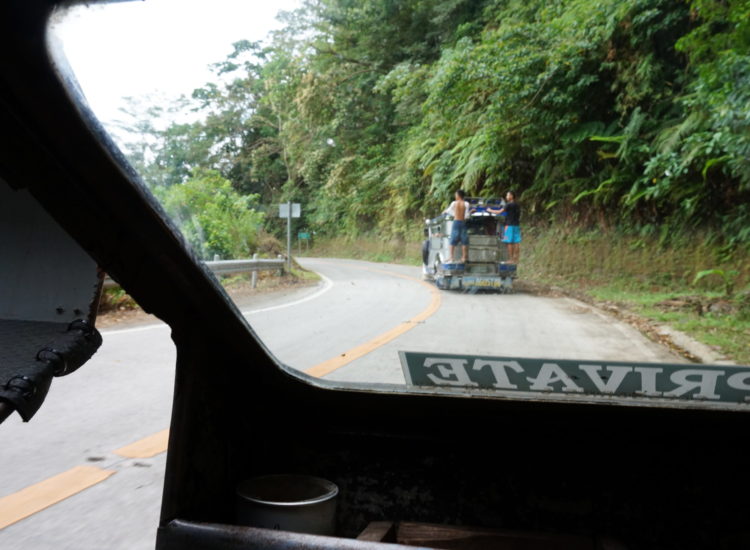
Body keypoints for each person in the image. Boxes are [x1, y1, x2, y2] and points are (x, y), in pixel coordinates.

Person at [488, 191, 521, 264]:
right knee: (516, 242)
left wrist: (490, 210)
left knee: (509, 242)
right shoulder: (517, 205)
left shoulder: (508, 205)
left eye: (507, 195)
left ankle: (511, 259)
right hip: (516, 225)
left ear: (512, 196)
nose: (506, 197)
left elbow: (499, 212)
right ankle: (516, 259)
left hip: (509, 225)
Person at [443, 189, 471, 263]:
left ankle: (451, 257)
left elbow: (448, 211)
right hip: (463, 222)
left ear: (458, 195)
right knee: (464, 240)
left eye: (456, 195)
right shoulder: (466, 204)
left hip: (456, 222)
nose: (455, 196)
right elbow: (467, 215)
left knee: (452, 240)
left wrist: (444, 211)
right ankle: (464, 257)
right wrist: (471, 212)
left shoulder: (454, 203)